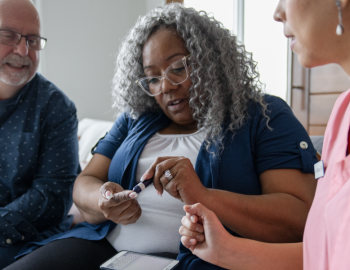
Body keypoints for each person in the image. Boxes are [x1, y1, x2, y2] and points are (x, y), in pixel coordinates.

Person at [5, 3, 318, 270]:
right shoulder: (136, 120)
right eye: (152, 78)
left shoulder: (263, 115)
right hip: (104, 249)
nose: (165, 86)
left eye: (178, 68)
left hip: (200, 259)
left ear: (211, 60)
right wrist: (103, 201)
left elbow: (299, 218)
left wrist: (204, 197)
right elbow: (85, 182)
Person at [179, 0, 350, 269]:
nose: (277, 13)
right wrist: (225, 249)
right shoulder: (342, 112)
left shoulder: (266, 114)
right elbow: (323, 253)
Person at [0, 0, 79, 268]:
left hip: (30, 240)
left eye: (32, 40)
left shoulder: (57, 107)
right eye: (8, 35)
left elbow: (52, 197)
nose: (23, 50)